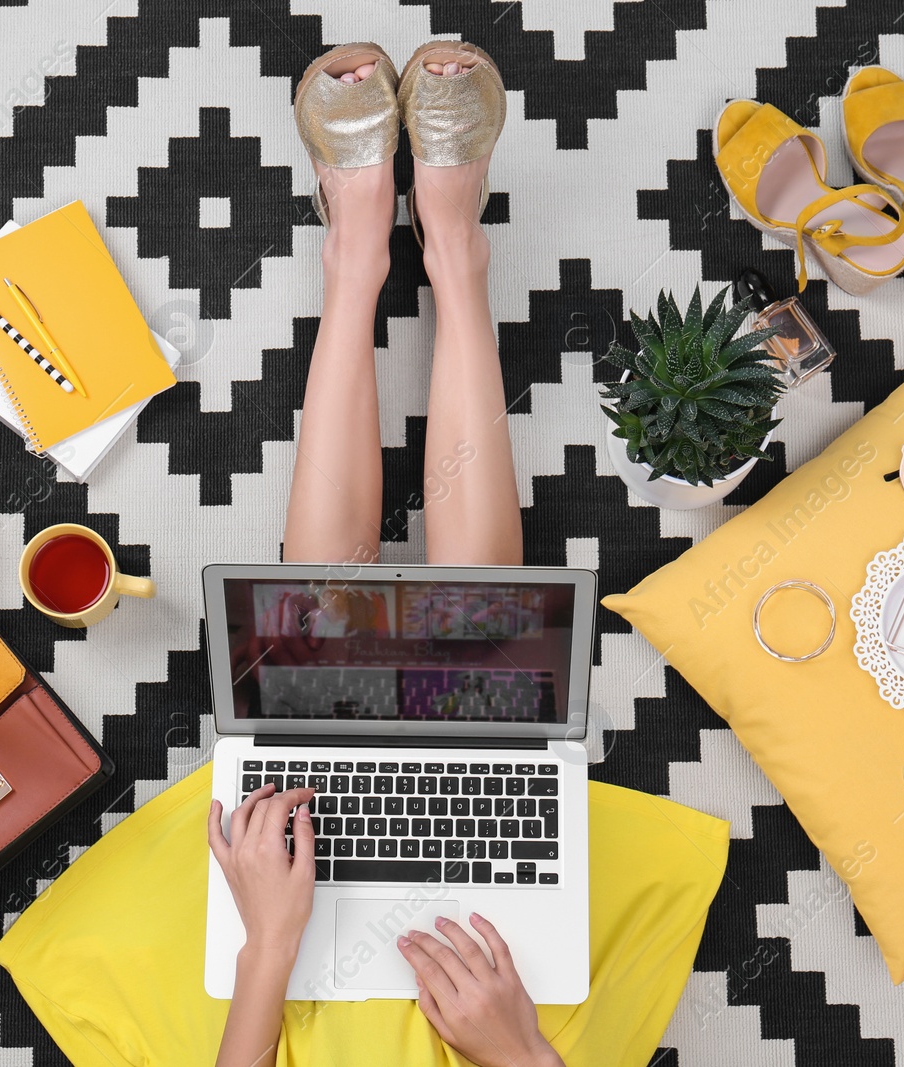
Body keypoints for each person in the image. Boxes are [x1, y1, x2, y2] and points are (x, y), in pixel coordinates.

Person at [207, 39, 563, 1067]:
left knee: (321, 638)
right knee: (488, 642)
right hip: (491, 1039)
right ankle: (451, 248)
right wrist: (522, 1055)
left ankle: (357, 254)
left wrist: (269, 946)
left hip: (275, 1008)